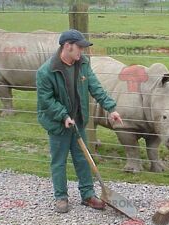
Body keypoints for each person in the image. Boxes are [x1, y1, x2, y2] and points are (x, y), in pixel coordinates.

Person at [36, 29, 123, 213]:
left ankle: (88, 195)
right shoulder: (46, 71)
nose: (82, 52)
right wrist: (63, 116)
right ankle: (61, 197)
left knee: (83, 158)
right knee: (59, 161)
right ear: (67, 47)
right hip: (58, 123)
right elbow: (46, 100)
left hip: (78, 121)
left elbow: (95, 86)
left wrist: (110, 108)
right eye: (79, 48)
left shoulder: (82, 63)